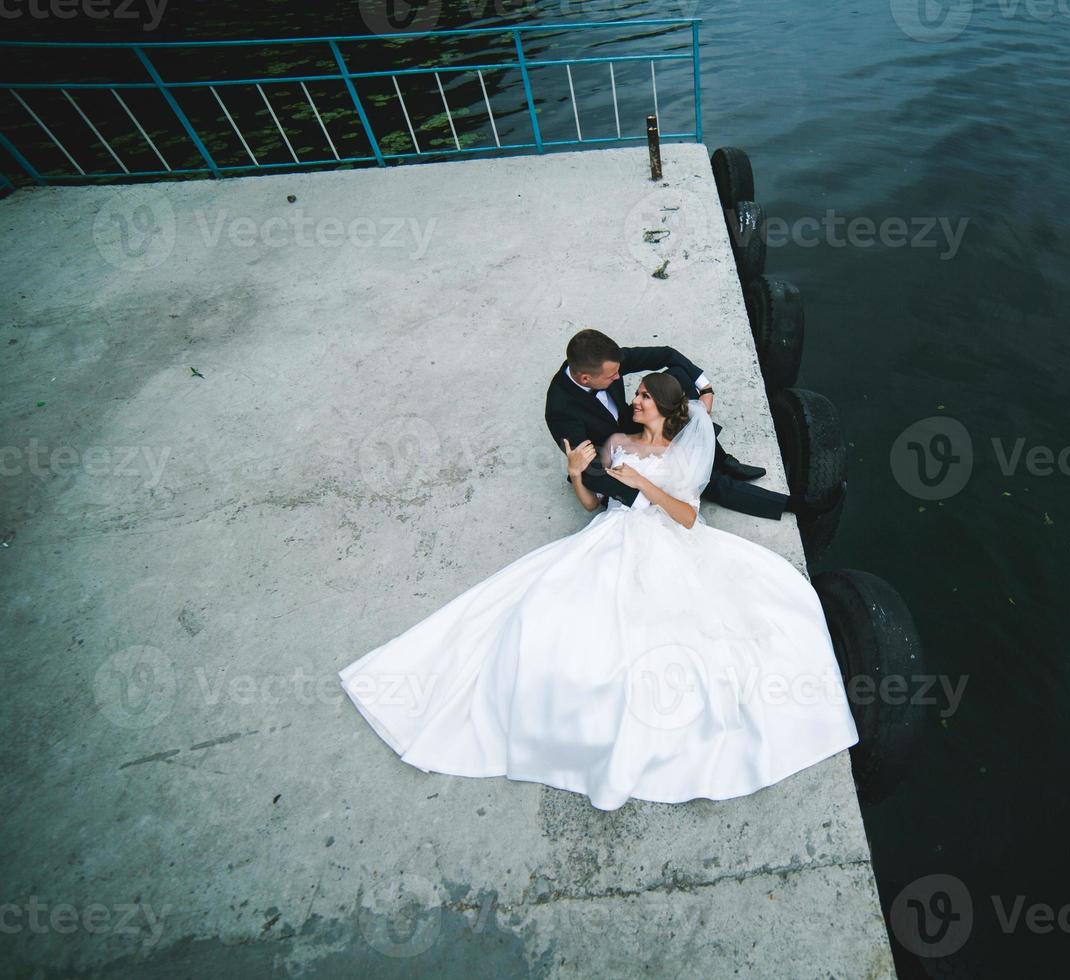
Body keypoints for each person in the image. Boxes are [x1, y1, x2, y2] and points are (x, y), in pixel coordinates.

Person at [339, 372, 859, 810]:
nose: (634, 402)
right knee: (548, 614)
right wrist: (576, 476)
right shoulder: (615, 445)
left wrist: (642, 485)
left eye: (644, 398)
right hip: (610, 534)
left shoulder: (681, 455)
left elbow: (686, 517)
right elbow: (592, 506)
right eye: (635, 396)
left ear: (666, 410)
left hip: (664, 537)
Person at [544, 328, 790, 520]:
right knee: (702, 480)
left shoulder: (606, 361)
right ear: (585, 378)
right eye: (612, 377)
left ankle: (720, 458)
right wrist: (647, 498)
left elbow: (666, 354)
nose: (619, 377)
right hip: (612, 458)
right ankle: (784, 504)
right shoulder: (560, 410)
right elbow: (590, 467)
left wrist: (705, 388)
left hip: (628, 425)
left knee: (678, 378)